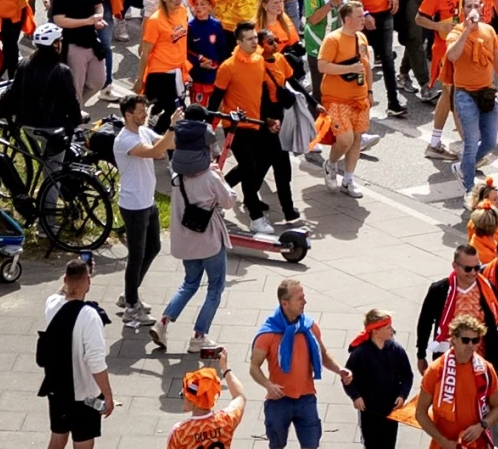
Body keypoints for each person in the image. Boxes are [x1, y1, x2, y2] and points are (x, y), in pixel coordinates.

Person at [168, 144, 237, 361]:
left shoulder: (177, 178)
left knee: (189, 283)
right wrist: (222, 179)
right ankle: (199, 336)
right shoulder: (210, 177)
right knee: (215, 288)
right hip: (209, 240)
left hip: (187, 242)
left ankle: (162, 324)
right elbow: (229, 201)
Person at [41, 255, 114, 449]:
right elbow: (96, 362)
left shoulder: (52, 305)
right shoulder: (89, 316)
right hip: (85, 395)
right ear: (89, 280)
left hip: (57, 389)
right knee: (83, 442)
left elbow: (61, 291)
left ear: (65, 279)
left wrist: (73, 274)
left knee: (58, 436)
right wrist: (108, 395)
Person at [256, 279, 335, 449]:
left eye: (303, 297)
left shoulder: (310, 327)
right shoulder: (268, 333)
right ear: (285, 303)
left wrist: (340, 370)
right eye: (299, 299)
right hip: (279, 400)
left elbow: (323, 354)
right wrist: (268, 385)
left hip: (306, 398)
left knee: (311, 444)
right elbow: (254, 367)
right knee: (277, 444)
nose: (304, 302)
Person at [115, 108, 171, 321]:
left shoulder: (144, 132)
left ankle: (129, 294)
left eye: (144, 111)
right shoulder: (125, 140)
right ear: (128, 115)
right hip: (133, 206)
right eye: (139, 112)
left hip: (148, 202)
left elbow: (166, 145)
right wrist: (172, 127)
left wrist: (186, 131)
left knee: (153, 247)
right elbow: (155, 152)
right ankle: (131, 309)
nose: (144, 115)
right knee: (136, 256)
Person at [345, 308, 417, 449]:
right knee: (371, 444)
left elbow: (407, 375)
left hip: (390, 409)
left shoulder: (397, 351)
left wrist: (402, 395)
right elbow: (348, 378)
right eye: (388, 327)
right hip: (369, 410)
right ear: (375, 331)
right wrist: (355, 396)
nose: (392, 330)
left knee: (389, 444)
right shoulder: (360, 353)